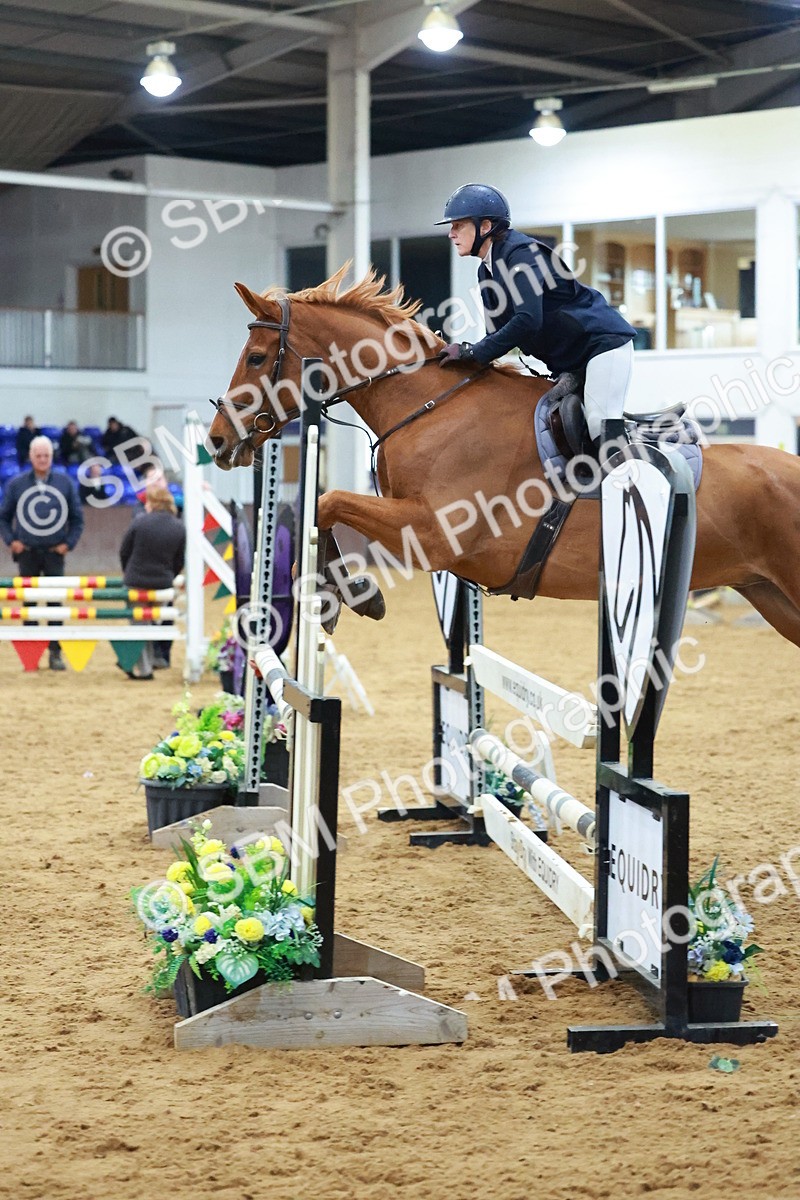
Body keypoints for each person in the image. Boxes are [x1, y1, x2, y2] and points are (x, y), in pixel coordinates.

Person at [435, 183, 637, 453]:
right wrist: (464, 359)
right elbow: (495, 336)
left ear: (485, 227)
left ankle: (640, 487)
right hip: (571, 363)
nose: (451, 234)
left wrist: (474, 352)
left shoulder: (522, 254)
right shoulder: (486, 272)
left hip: (603, 345)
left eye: (458, 225)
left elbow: (529, 320)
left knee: (600, 424)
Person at [0, 436, 85, 670]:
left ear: (51, 457)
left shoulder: (65, 483)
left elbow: (77, 519)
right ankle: (31, 654)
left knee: (55, 604)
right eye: (38, 455)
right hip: (26, 553)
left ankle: (55, 652)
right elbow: (3, 518)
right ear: (31, 456)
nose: (42, 459)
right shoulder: (16, 485)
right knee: (29, 604)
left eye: (46, 455)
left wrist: (69, 544)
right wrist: (11, 541)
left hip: (54, 553)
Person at [119, 487, 185, 679]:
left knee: (139, 625)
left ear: (152, 502)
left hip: (136, 580)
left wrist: (129, 573)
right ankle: (155, 657)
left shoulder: (139, 522)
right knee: (152, 622)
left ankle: (144, 669)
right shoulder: (179, 526)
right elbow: (179, 560)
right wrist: (169, 576)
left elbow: (124, 551)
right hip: (163, 584)